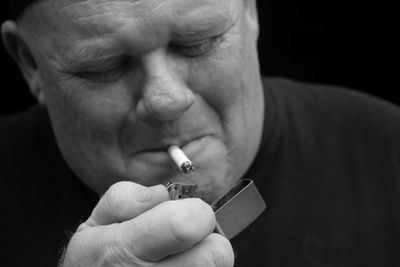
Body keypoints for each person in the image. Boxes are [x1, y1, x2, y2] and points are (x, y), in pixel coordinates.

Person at [0, 0, 399, 266]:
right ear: (29, 63)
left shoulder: (388, 151)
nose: (165, 99)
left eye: (198, 43)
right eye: (102, 67)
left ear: (250, 13)